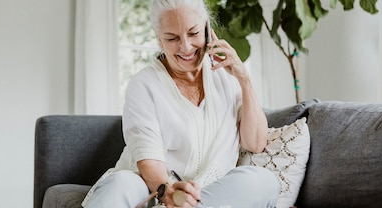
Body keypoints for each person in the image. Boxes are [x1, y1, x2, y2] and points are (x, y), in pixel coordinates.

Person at [81, 0, 280, 207]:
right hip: (154, 190)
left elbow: (255, 143)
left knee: (263, 181)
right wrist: (168, 192)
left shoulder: (228, 78)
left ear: (207, 29)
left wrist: (244, 79)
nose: (185, 46)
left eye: (193, 33)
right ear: (159, 39)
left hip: (210, 195)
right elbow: (149, 158)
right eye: (172, 38)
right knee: (121, 183)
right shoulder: (143, 85)